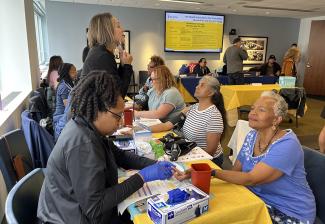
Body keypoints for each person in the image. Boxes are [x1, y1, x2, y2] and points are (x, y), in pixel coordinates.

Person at [37, 71, 175, 224]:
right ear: (98, 110)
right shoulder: (83, 143)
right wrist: (142, 177)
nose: (121, 121)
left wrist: (155, 165)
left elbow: (121, 156)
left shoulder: (87, 125)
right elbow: (95, 206)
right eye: (117, 116)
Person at [174, 91, 316, 223]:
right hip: (255, 199)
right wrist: (201, 174)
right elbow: (236, 172)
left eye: (261, 110)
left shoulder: (287, 145)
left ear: (277, 119)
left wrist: (211, 172)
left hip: (289, 211)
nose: (252, 113)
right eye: (253, 108)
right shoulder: (252, 136)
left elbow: (251, 178)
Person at [150, 76, 226, 167]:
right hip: (191, 152)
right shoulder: (191, 108)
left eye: (202, 85)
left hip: (208, 161)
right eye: (198, 84)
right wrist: (141, 129)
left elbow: (210, 151)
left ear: (211, 92)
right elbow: (168, 125)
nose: (196, 87)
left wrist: (185, 156)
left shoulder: (214, 115)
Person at [82, 12, 133, 98]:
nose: (122, 30)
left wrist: (123, 64)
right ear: (107, 30)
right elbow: (118, 96)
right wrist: (127, 65)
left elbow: (117, 84)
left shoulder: (100, 52)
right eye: (118, 26)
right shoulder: (102, 57)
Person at [53, 63, 77, 140]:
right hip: (61, 120)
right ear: (66, 73)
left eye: (75, 71)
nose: (76, 73)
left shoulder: (68, 84)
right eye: (73, 72)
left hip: (64, 118)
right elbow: (69, 108)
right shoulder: (64, 87)